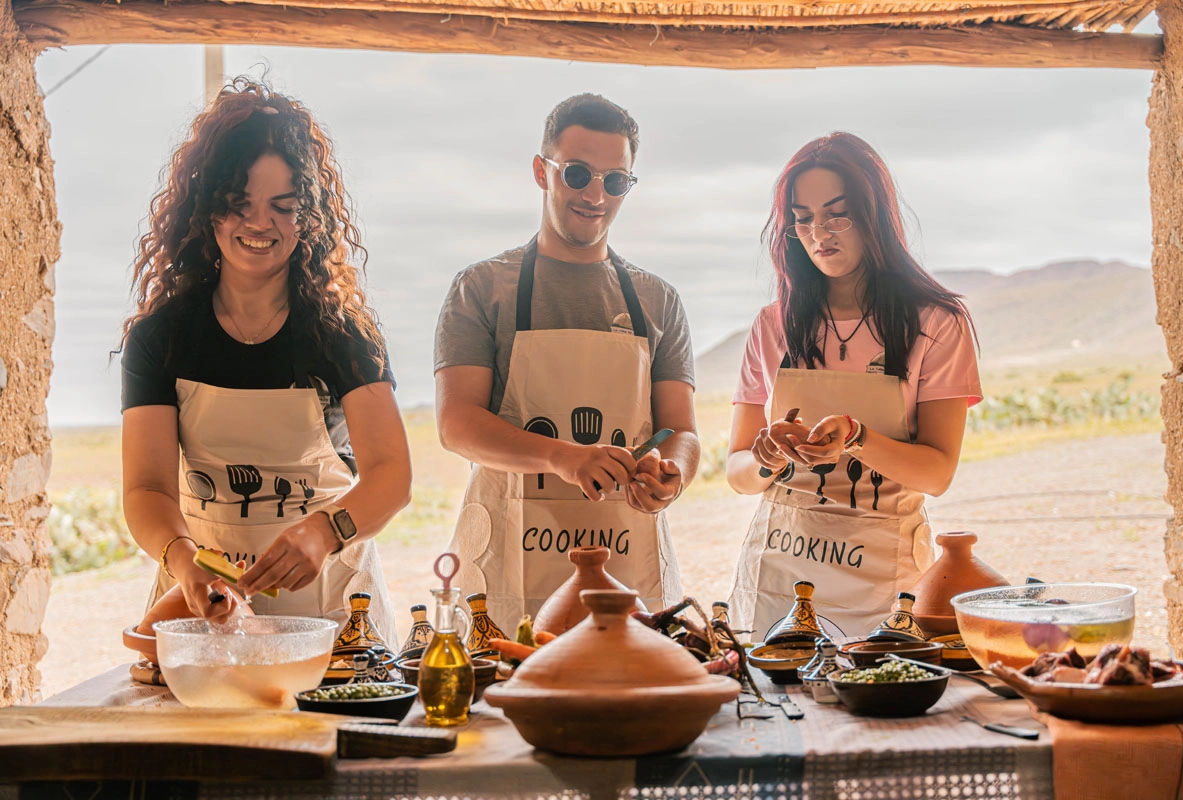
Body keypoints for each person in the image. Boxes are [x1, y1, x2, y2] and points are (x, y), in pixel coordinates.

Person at [120, 79, 411, 647]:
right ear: (208, 212)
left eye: (283, 207)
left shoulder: (343, 333)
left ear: (309, 219)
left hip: (332, 607)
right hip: (204, 606)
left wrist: (328, 531)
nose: (260, 224)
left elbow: (391, 476)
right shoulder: (162, 337)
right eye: (240, 205)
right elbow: (147, 490)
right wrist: (185, 564)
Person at [434, 93, 699, 632]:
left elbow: (681, 430)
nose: (595, 194)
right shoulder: (483, 288)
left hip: (626, 559)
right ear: (541, 170)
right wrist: (565, 458)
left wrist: (674, 475)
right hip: (510, 573)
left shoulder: (658, 299)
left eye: (615, 180)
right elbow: (457, 425)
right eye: (577, 174)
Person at [726, 132, 982, 641]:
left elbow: (936, 473)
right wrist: (769, 457)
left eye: (837, 214)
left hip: (881, 573)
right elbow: (737, 473)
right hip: (780, 567)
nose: (819, 232)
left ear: (875, 216)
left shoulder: (937, 322)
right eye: (803, 218)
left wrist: (856, 436)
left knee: (880, 700)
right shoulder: (772, 325)